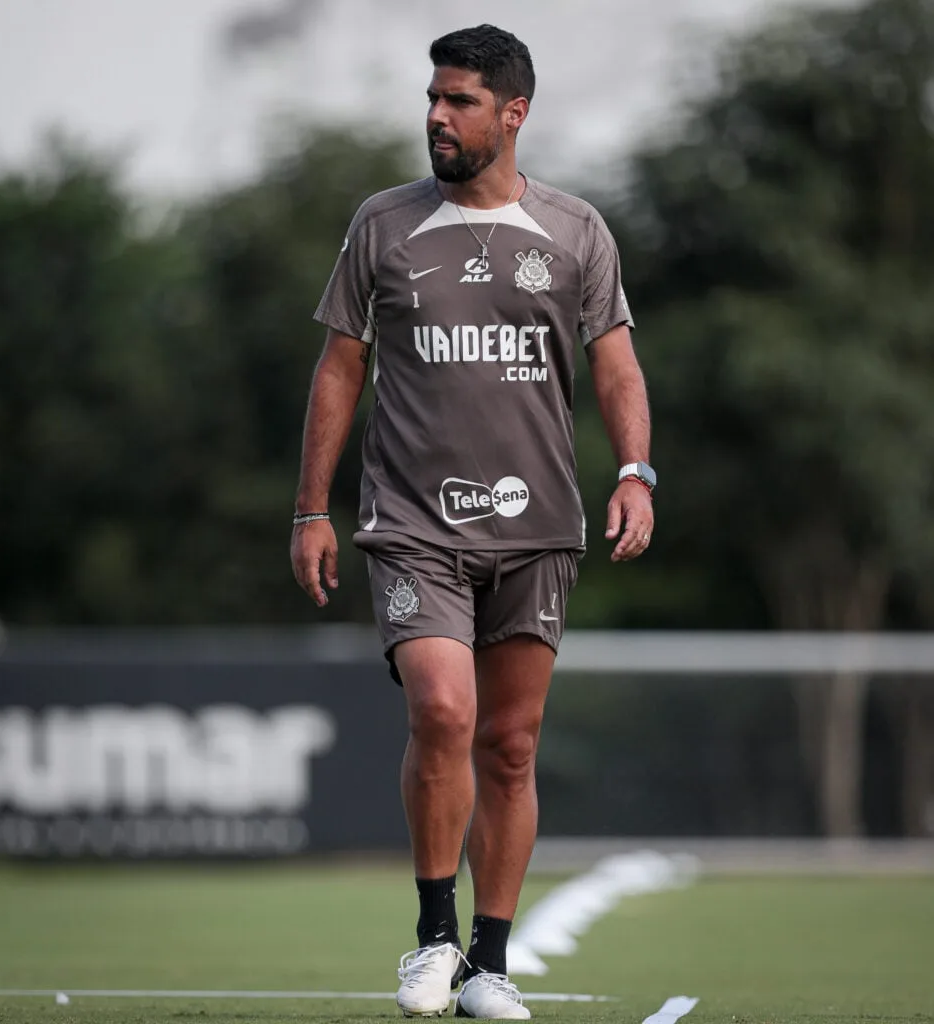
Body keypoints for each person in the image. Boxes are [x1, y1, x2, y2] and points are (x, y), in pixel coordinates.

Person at [291, 24, 655, 1020]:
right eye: (432, 98)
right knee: (442, 710)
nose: (436, 117)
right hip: (412, 522)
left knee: (509, 742)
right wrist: (311, 508)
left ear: (513, 113)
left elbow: (617, 361)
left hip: (537, 526)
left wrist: (636, 471)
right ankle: (434, 935)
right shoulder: (381, 224)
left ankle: (489, 962)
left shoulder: (577, 231)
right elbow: (340, 366)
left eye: (457, 101)